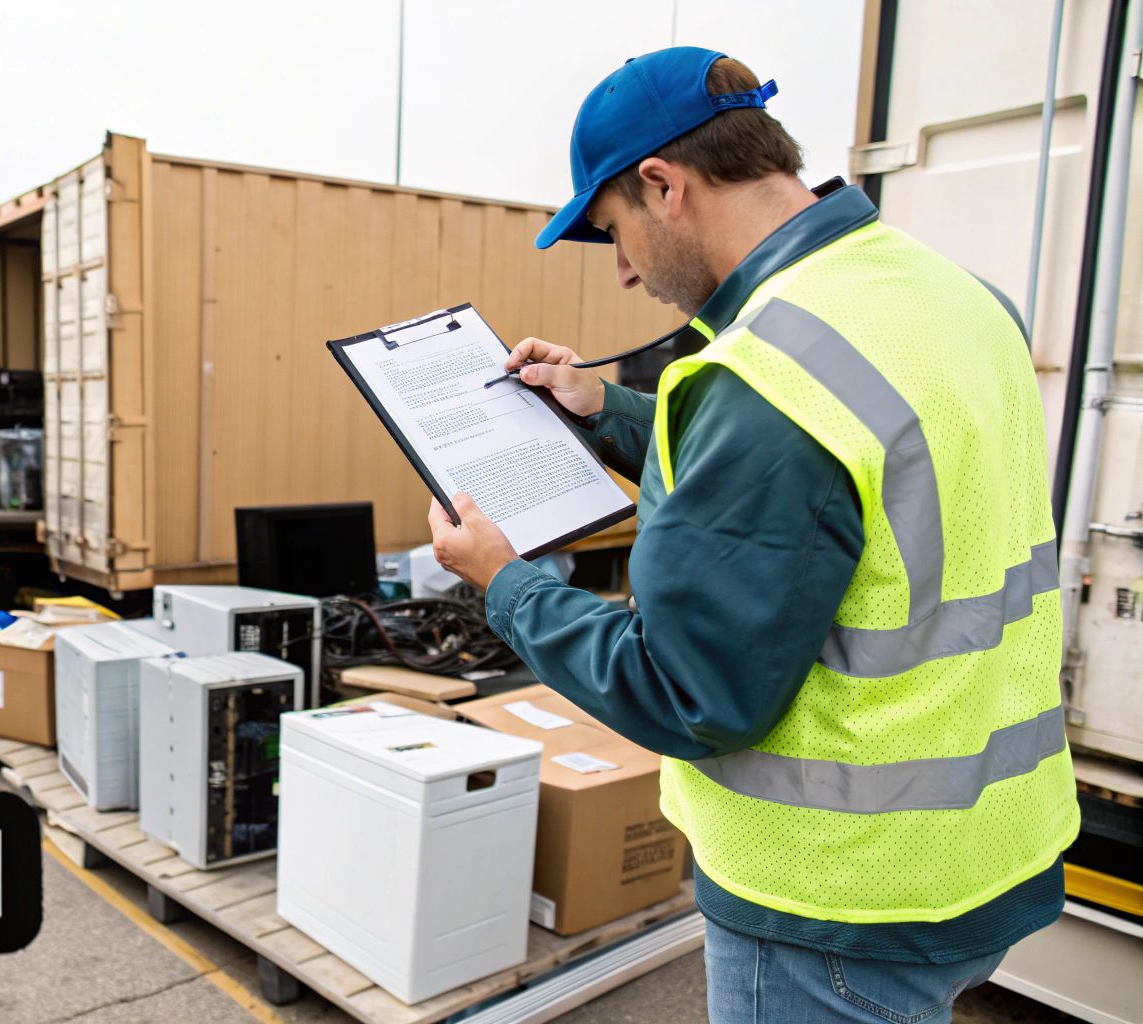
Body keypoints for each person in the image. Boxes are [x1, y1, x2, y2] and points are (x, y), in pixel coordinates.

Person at [427, 47, 1076, 1023]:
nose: (622, 271)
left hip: (835, 901)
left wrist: (503, 581)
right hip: (987, 846)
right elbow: (825, 476)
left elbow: (683, 691)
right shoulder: (948, 295)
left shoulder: (767, 375)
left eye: (614, 233)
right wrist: (601, 405)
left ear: (662, 184)